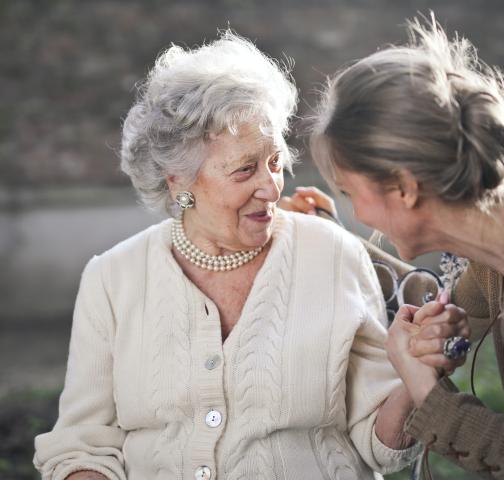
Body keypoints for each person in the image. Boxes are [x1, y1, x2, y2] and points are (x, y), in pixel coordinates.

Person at [33, 32, 469, 480]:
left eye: (275, 162)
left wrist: (414, 375)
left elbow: (382, 446)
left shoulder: (331, 255)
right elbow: (81, 445)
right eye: (245, 169)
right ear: (179, 181)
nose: (271, 187)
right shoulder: (112, 278)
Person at [291, 15, 504, 480]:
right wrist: (327, 236)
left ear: (405, 188)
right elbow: (449, 300)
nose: (359, 212)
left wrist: (431, 400)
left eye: (350, 193)